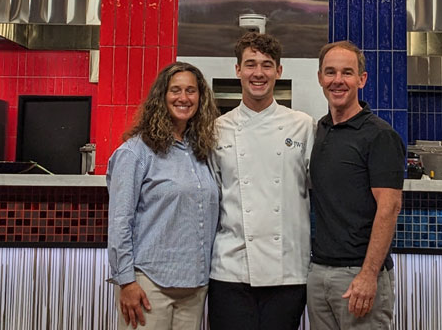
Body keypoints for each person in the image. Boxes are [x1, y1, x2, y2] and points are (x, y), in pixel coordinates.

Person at [208, 33, 315, 330]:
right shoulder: (217, 129)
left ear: (278, 71)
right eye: (250, 64)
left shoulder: (303, 126)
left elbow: (320, 189)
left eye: (267, 65)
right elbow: (211, 197)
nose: (258, 73)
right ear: (238, 70)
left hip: (288, 271)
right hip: (230, 269)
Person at [107, 62, 221, 330]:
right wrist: (126, 281)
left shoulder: (201, 150)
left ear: (200, 98)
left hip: (195, 287)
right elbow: (120, 221)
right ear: (162, 96)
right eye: (176, 90)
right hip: (149, 285)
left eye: (191, 91)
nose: (184, 98)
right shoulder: (135, 153)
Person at [308, 41, 406, 330]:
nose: (337, 80)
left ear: (361, 79)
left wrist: (368, 274)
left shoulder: (379, 135)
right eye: (330, 72)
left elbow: (389, 208)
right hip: (319, 272)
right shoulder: (321, 129)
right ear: (320, 78)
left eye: (347, 73)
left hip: (358, 276)